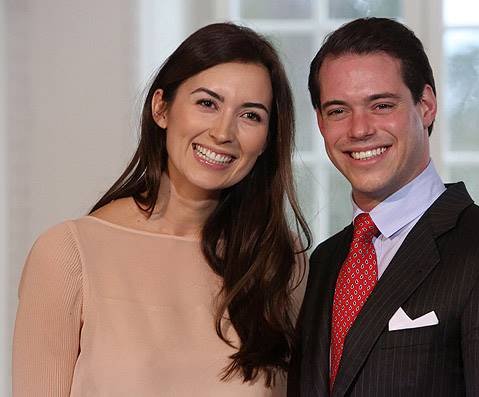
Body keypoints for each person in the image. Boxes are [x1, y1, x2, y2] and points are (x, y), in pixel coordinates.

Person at [13, 22, 310, 396]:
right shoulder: (69, 254)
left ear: (268, 139)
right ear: (161, 108)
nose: (223, 132)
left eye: (250, 115)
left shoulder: (280, 263)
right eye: (207, 103)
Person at [288, 17, 479, 396]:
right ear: (320, 122)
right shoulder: (323, 263)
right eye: (338, 110)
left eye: (382, 105)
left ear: (427, 105)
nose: (359, 129)